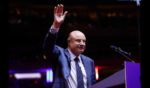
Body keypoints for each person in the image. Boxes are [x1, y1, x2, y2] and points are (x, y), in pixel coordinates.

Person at [43, 4, 96, 88]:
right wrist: (56, 26)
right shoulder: (60, 54)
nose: (82, 43)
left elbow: (93, 85)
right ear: (69, 42)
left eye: (84, 41)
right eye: (78, 40)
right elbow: (48, 47)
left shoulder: (89, 62)